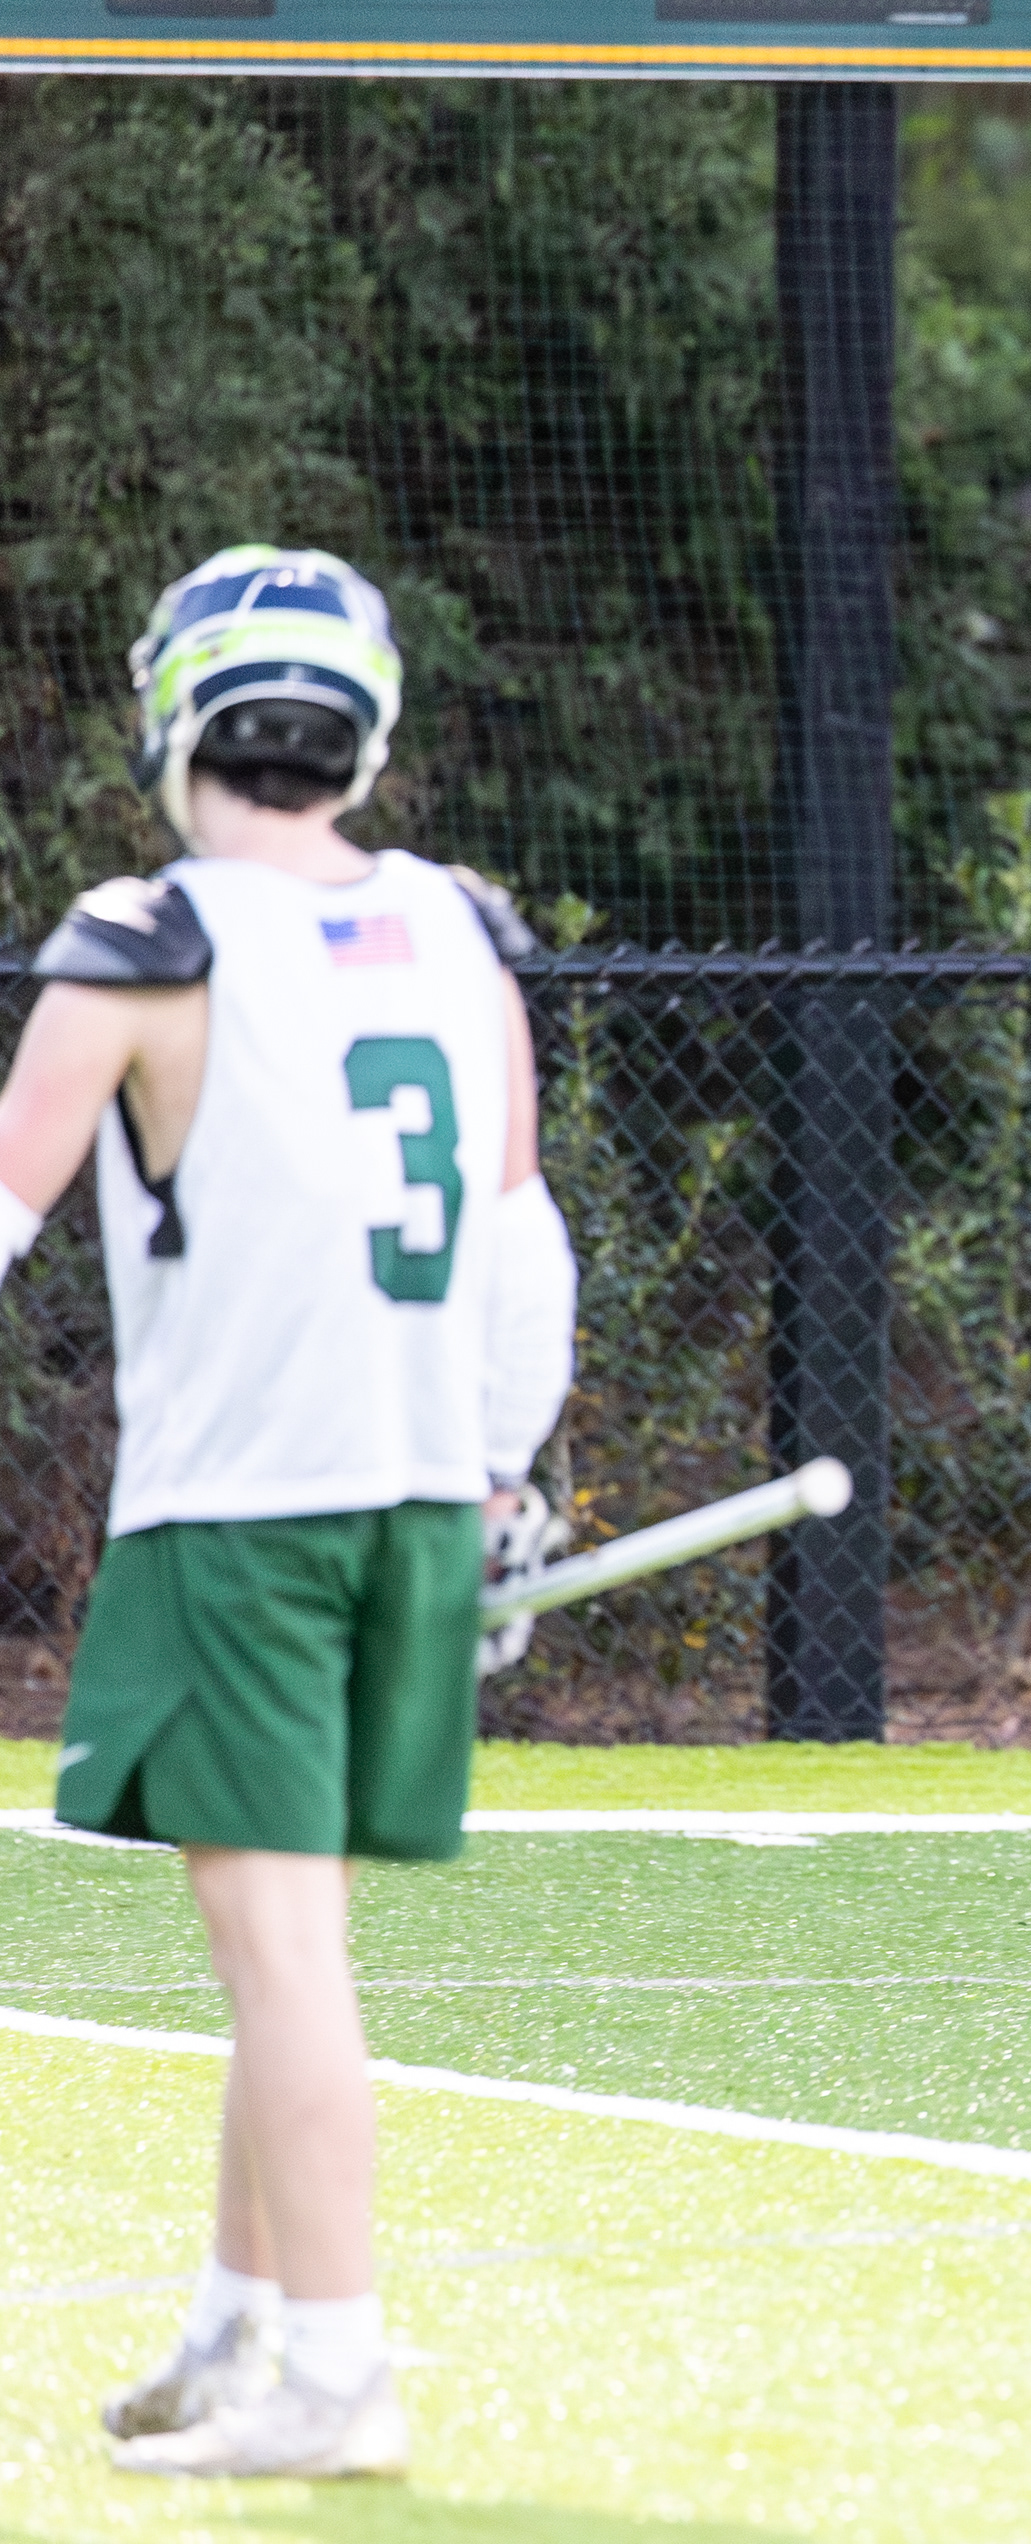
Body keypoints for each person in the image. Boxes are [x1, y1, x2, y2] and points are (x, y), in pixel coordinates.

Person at [0, 547, 577, 2477]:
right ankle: (236, 2326)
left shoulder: (144, 942)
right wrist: (499, 1476)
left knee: (282, 1958)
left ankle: (338, 2376)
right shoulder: (456, 931)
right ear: (364, 728)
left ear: (179, 717)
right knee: (296, 1938)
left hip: (240, 1514)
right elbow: (523, 1242)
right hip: (411, 1502)